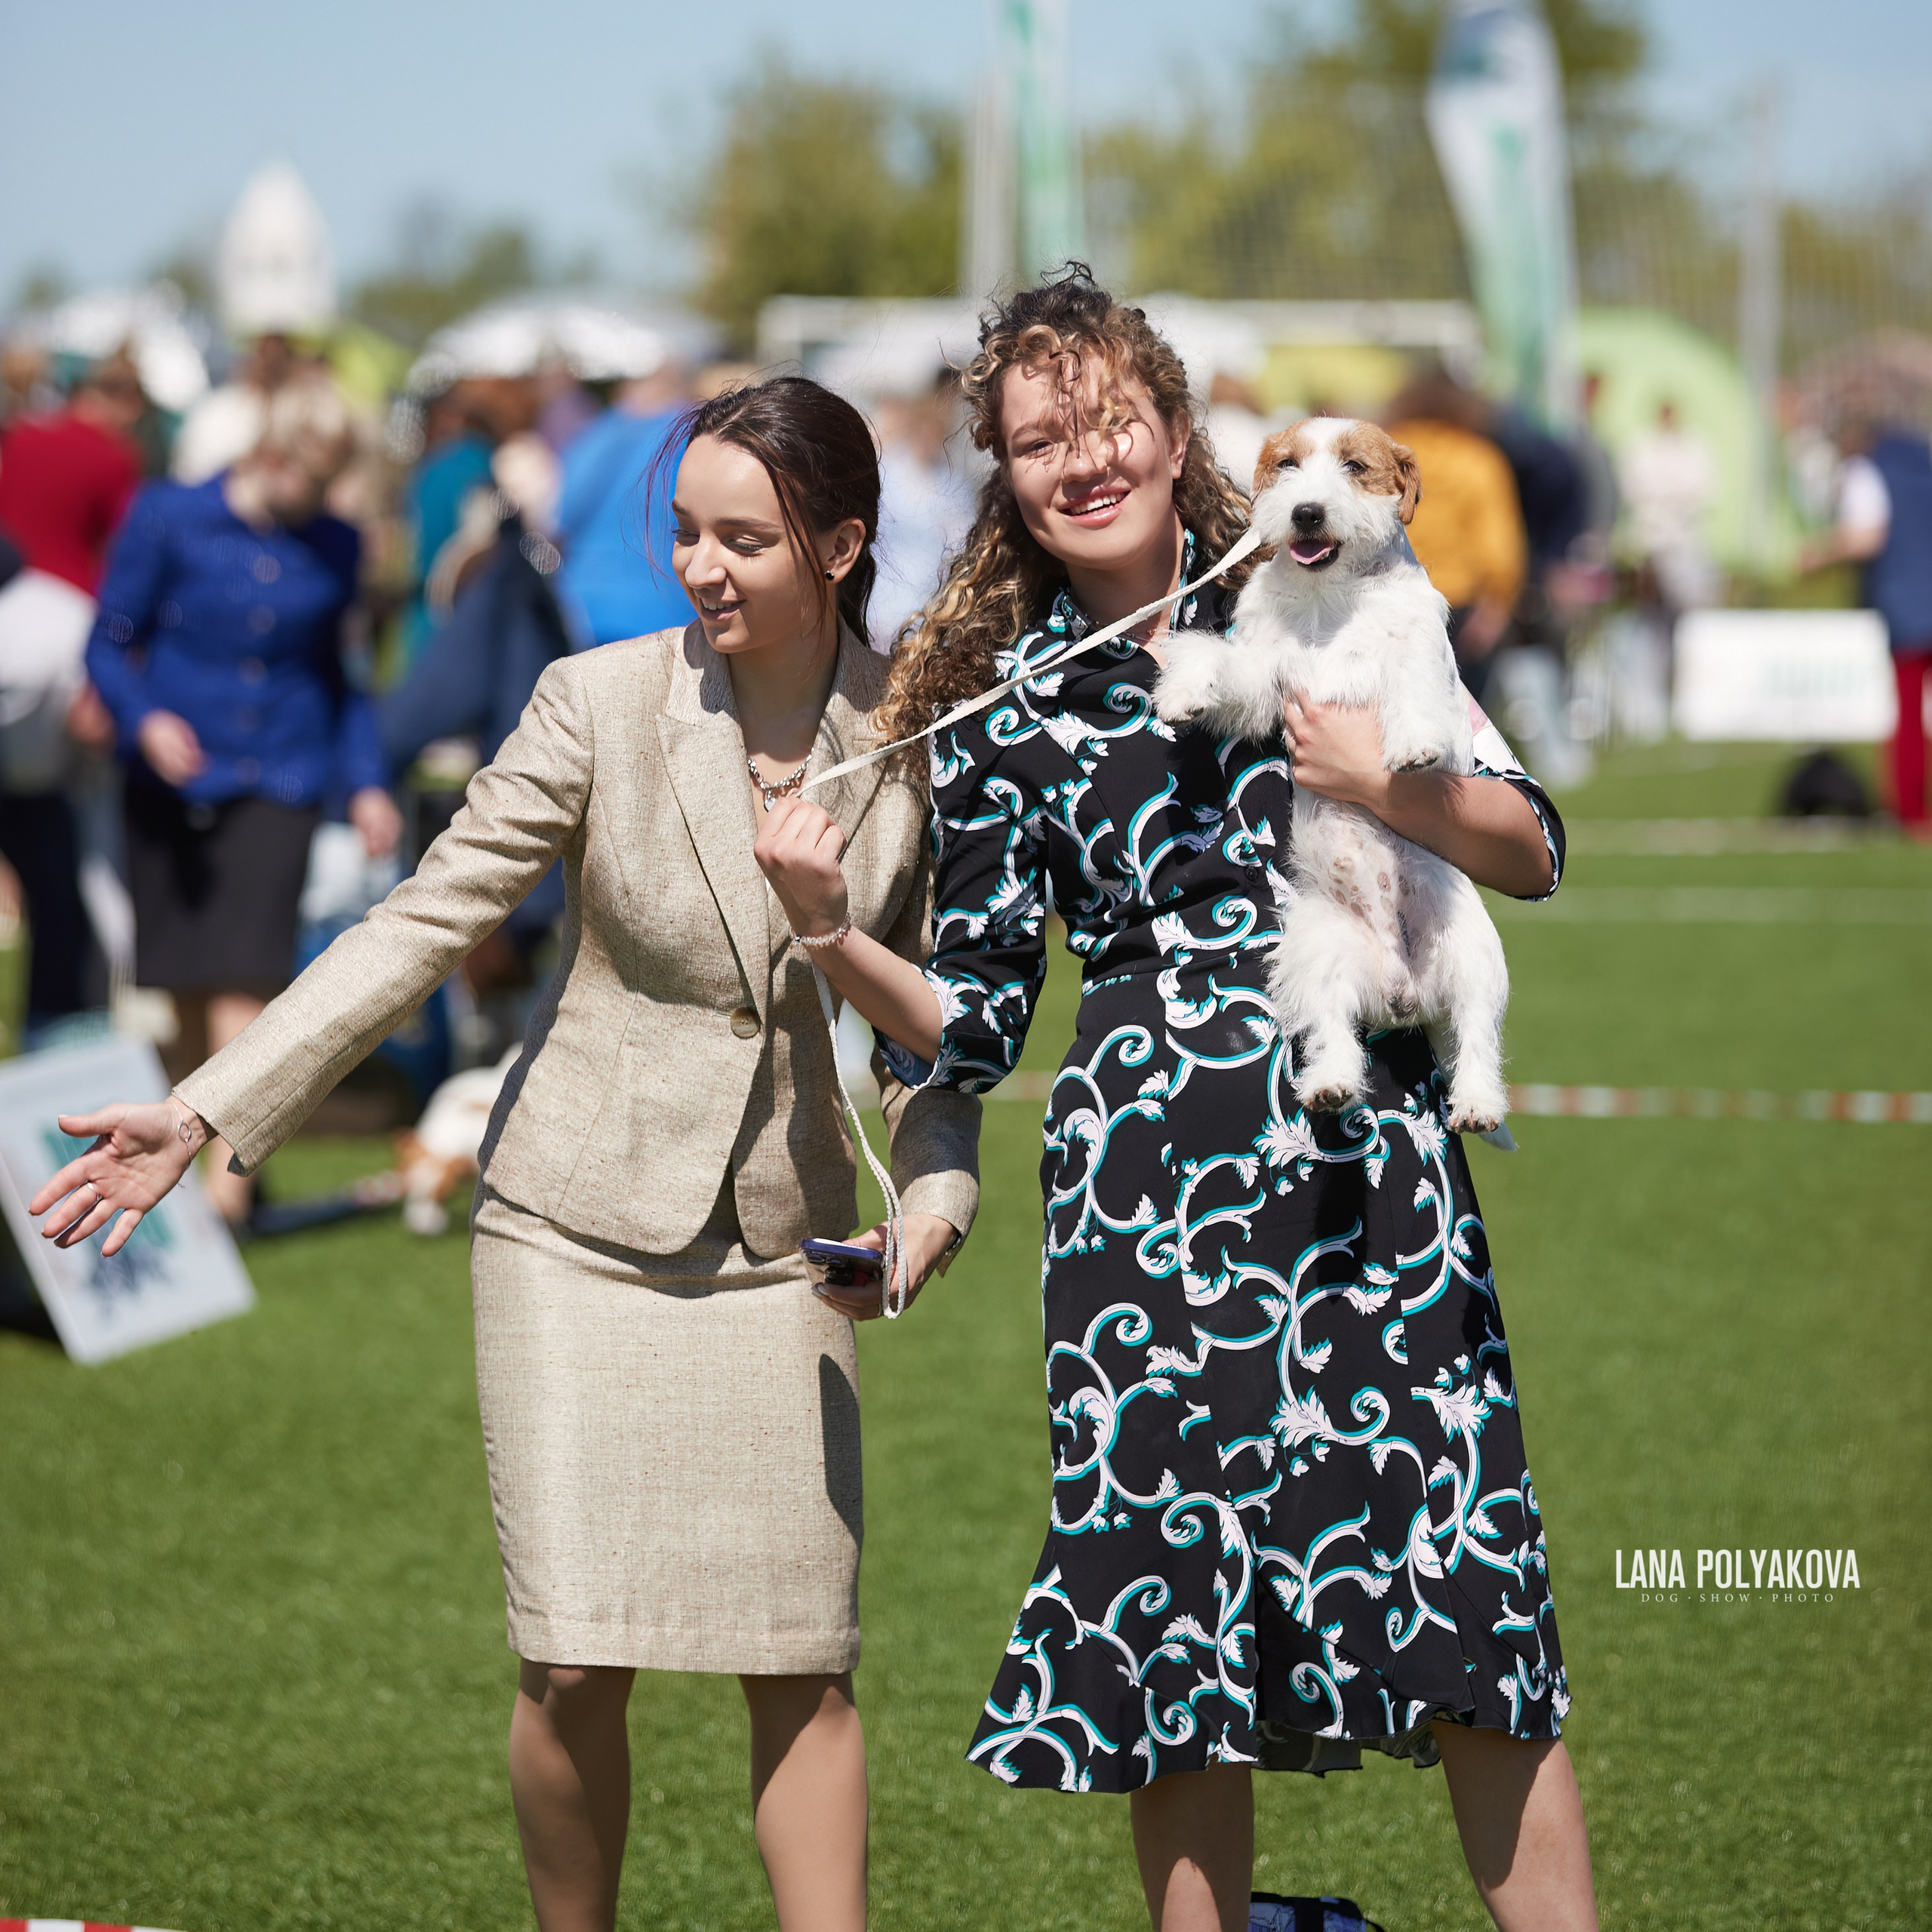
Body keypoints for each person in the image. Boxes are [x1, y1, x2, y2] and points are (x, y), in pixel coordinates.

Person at [35, 374, 980, 1932]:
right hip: (568, 1231)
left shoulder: (918, 743)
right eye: (685, 531)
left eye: (744, 539)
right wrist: (202, 1109)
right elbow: (420, 922)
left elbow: (938, 1031)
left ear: (841, 544)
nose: (700, 568)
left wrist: (935, 1193)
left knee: (803, 1665)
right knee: (572, 1658)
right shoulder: (595, 701)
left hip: (780, 1261)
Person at [755, 271, 1596, 1932]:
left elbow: (1534, 846)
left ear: (1174, 420)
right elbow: (977, 1024)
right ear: (1005, 475)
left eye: (1111, 420)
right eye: (1039, 440)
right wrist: (834, 932)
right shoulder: (1001, 700)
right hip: (1146, 1196)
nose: (1085, 460)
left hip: (1367, 1161)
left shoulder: (1331, 577)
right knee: (1176, 1622)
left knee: (1464, 1586)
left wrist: (1374, 781)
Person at [84, 374, 402, 1224]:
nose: (321, 497)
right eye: (311, 475)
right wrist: (145, 719)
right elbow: (109, 642)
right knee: (184, 984)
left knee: (245, 979)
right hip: (169, 784)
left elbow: (344, 676)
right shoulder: (168, 515)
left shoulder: (336, 543)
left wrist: (367, 783)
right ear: (270, 452)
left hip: (283, 775)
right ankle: (180, 1174)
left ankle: (228, 1196)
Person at [0, 352, 146, 1031]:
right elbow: (127, 558)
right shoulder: (110, 456)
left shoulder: (23, 438)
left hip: (20, 633)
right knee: (76, 853)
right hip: (69, 649)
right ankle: (74, 1010)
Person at [1803, 415, 1932, 834]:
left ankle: (1912, 811)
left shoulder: (1868, 473)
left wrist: (1818, 556)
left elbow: (1866, 537)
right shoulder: (1923, 468)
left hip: (1908, 604)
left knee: (1910, 713)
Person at [1384, 366, 1527, 702]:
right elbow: (1500, 549)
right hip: (1459, 608)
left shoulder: (1386, 456)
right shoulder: (1479, 460)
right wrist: (1498, 606)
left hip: (1391, 598)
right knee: (1463, 714)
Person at [552, 358, 697, 648]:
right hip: (663, 607)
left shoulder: (592, 435)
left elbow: (561, 517)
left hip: (580, 608)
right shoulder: (691, 434)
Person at [869, 368, 977, 650]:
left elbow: (961, 545)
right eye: (924, 431)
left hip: (926, 613)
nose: (929, 439)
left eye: (937, 432)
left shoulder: (953, 483)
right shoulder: (886, 473)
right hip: (880, 612)